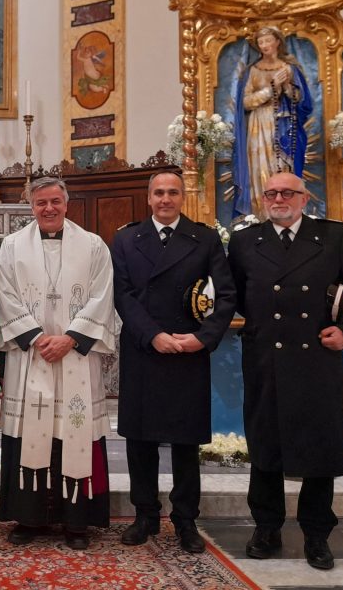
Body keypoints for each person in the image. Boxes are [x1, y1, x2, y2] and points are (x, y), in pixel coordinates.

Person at [228, 172, 343, 571]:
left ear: (304, 198)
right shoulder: (245, 241)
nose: (278, 199)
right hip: (266, 357)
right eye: (271, 193)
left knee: (318, 446)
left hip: (317, 358)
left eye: (287, 193)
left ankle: (316, 535)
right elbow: (234, 295)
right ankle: (266, 529)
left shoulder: (333, 236)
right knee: (266, 445)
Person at [111, 171, 237, 553]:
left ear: (183, 197)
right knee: (140, 439)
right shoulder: (126, 239)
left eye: (172, 192)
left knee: (185, 442)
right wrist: (153, 335)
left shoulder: (204, 238)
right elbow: (122, 294)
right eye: (159, 193)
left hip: (187, 349)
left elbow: (226, 294)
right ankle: (145, 515)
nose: (165, 199)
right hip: (144, 348)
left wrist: (203, 338)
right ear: (148, 198)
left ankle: (185, 520)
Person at [0, 177, 117, 550]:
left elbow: (103, 295)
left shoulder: (93, 245)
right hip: (31, 354)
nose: (48, 208)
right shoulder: (12, 246)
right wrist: (35, 337)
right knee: (29, 432)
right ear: (31, 206)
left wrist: (71, 338)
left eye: (55, 202)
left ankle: (77, 523)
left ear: (66, 203)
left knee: (73, 431)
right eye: (41, 202)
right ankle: (29, 519)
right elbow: (5, 294)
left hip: (75, 355)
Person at [232, 26, 313, 218]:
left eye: (268, 40)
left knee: (284, 167)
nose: (264, 45)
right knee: (259, 168)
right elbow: (245, 102)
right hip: (258, 125)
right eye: (260, 42)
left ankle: (287, 214)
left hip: (284, 124)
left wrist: (287, 88)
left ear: (277, 42)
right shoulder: (253, 70)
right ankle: (260, 217)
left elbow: (302, 101)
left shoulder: (289, 69)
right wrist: (270, 89)